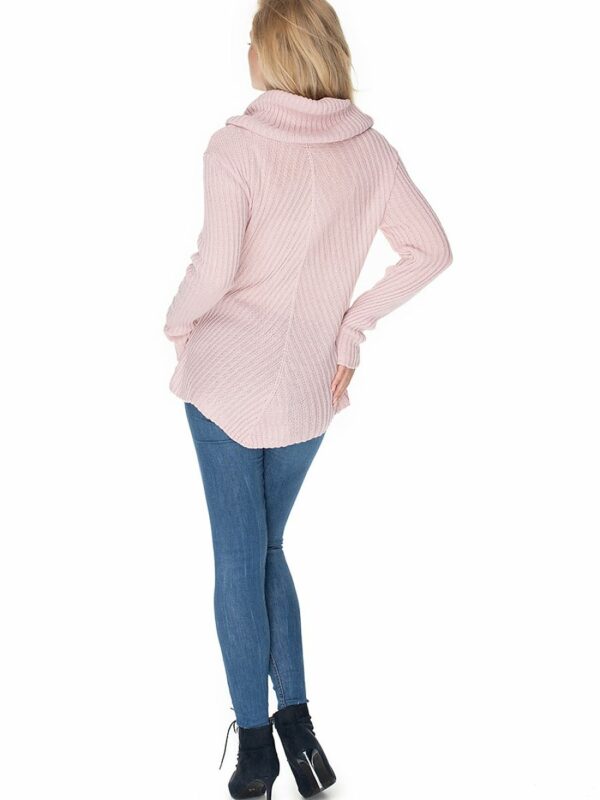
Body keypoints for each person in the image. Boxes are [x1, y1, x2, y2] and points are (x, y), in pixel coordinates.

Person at [163, 1, 453, 797]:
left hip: (223, 379)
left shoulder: (237, 145)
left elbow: (214, 267)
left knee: (238, 558)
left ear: (272, 55)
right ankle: (302, 733)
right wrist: (349, 329)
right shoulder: (372, 152)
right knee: (268, 550)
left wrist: (177, 323)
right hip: (308, 387)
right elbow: (431, 250)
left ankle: (256, 750)